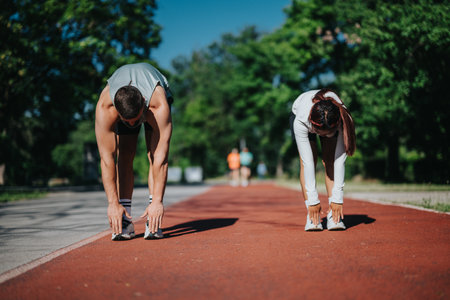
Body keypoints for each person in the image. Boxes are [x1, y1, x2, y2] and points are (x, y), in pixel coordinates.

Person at [95, 62, 173, 240]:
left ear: (144, 105)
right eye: (126, 121)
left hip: (154, 91)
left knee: (153, 156)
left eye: (135, 120)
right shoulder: (105, 108)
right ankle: (125, 219)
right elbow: (107, 159)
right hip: (126, 101)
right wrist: (112, 204)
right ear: (116, 110)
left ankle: (152, 221)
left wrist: (158, 202)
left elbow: (161, 160)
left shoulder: (158, 105)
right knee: (125, 154)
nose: (132, 125)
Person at [290, 88, 356, 231]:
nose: (324, 137)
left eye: (329, 134)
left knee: (330, 160)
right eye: (321, 134)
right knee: (309, 161)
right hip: (300, 113)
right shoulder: (300, 121)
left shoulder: (344, 120)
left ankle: (334, 216)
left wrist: (338, 199)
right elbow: (307, 163)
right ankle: (312, 216)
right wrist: (313, 200)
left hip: (329, 119)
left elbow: (339, 161)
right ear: (313, 127)